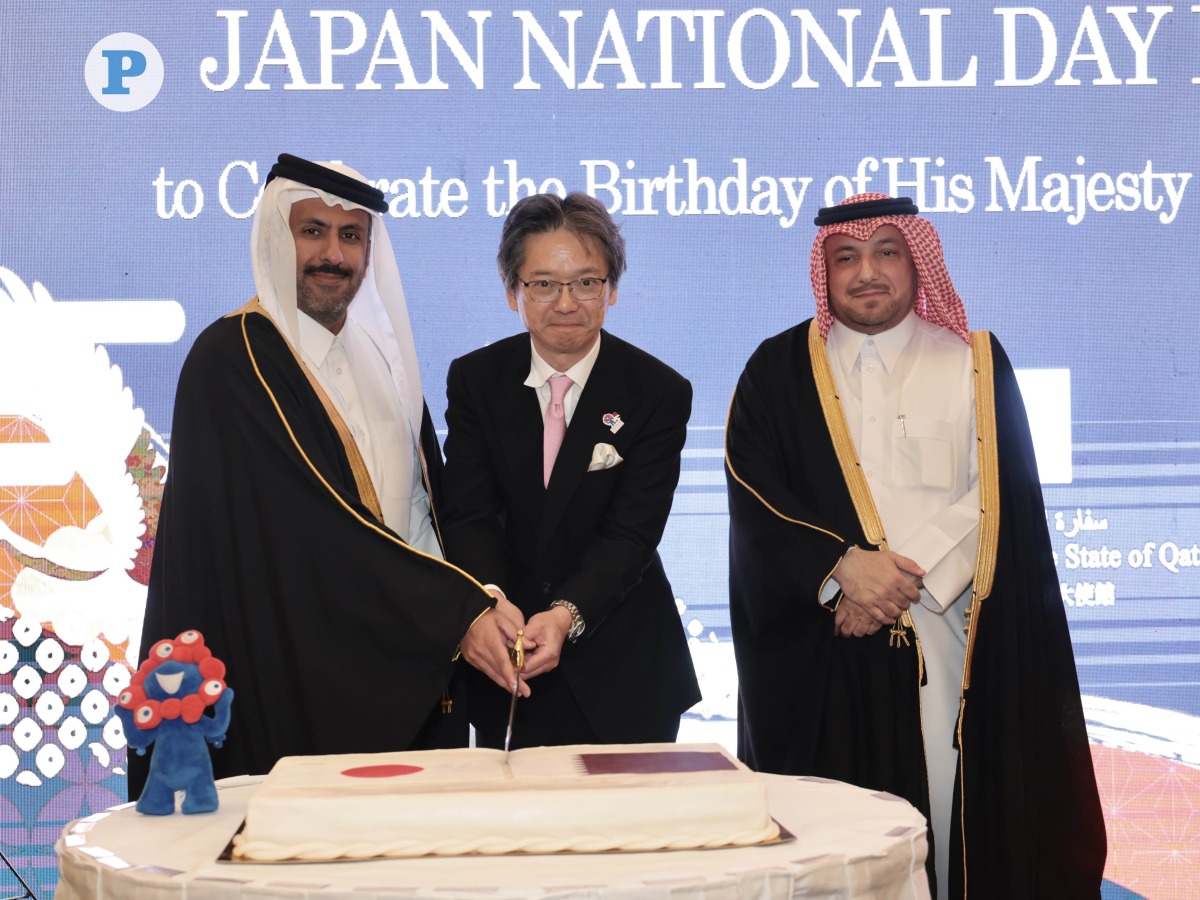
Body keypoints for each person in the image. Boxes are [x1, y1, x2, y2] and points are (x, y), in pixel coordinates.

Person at [725, 194, 1106, 899]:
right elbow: (758, 495)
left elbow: (998, 491)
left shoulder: (973, 362)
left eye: (886, 253)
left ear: (916, 262)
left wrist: (900, 579)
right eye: (846, 258)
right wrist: (843, 570)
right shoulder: (776, 371)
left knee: (937, 826)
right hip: (823, 642)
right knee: (827, 842)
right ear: (825, 270)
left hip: (945, 640)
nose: (865, 272)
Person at [133, 154, 519, 791]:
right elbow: (315, 527)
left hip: (413, 664)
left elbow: (423, 510)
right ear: (276, 236)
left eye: (351, 236)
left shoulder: (383, 359)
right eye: (312, 231)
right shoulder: (234, 360)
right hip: (294, 675)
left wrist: (480, 600)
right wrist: (455, 612)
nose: (332, 255)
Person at [440, 192, 701, 749]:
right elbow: (468, 512)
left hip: (622, 664)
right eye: (543, 284)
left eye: (586, 282)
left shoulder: (657, 391)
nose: (567, 302)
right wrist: (489, 599)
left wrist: (566, 613)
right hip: (505, 660)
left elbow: (632, 533)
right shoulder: (475, 381)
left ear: (611, 290)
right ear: (513, 291)